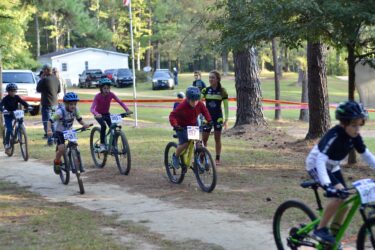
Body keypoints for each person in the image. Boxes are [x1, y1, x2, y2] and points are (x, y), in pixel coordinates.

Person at [306, 100, 375, 245]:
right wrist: (327, 185)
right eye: (354, 125)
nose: (357, 129)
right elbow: (320, 160)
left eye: (360, 125)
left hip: (333, 166)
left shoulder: (355, 136)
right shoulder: (334, 135)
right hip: (317, 165)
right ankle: (320, 229)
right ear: (344, 123)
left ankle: (331, 238)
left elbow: (367, 155)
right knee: (338, 197)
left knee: (346, 204)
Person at [169, 86, 212, 169]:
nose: (195, 102)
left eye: (197, 100)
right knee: (185, 143)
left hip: (193, 125)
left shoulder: (199, 104)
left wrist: (209, 120)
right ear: (188, 99)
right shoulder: (182, 105)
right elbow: (172, 115)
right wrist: (175, 125)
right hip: (181, 126)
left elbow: (205, 112)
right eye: (193, 100)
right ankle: (176, 156)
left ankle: (197, 162)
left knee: (199, 143)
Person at [47, 92, 90, 174]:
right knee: (62, 149)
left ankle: (79, 165)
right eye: (71, 104)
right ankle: (57, 161)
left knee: (75, 145)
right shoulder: (60, 112)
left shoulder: (75, 110)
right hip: (60, 132)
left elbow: (79, 119)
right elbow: (50, 121)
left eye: (74, 104)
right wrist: (49, 130)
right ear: (65, 104)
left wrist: (84, 124)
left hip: (69, 131)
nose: (73, 106)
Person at [90, 77, 133, 152]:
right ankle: (102, 144)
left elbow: (120, 102)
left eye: (108, 88)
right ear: (101, 89)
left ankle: (113, 146)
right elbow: (92, 109)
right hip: (99, 115)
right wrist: (96, 114)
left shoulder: (111, 94)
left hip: (107, 114)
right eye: (104, 88)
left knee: (113, 127)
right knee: (103, 126)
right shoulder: (97, 96)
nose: (106, 90)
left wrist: (127, 110)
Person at [201, 70, 229, 166]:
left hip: (218, 117)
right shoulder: (205, 90)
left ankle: (217, 158)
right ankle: (202, 157)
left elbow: (226, 106)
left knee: (217, 138)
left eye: (212, 77)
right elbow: (198, 100)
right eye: (209, 77)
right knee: (204, 139)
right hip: (207, 117)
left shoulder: (222, 91)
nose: (210, 79)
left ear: (217, 79)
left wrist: (226, 119)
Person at [0, 83, 29, 155]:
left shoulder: (17, 97)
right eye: (11, 91)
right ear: (8, 91)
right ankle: (7, 145)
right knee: (9, 129)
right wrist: (3, 110)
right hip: (8, 115)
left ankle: (20, 130)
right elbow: (1, 105)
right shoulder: (5, 99)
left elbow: (23, 102)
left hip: (15, 114)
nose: (13, 92)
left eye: (14, 91)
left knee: (20, 122)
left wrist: (28, 106)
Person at [37, 64, 61, 145]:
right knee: (53, 121)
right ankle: (55, 139)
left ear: (46, 70)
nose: (43, 72)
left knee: (47, 122)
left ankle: (51, 140)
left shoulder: (45, 79)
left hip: (46, 104)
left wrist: (41, 78)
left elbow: (38, 89)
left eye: (43, 70)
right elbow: (59, 90)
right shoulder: (56, 79)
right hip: (55, 103)